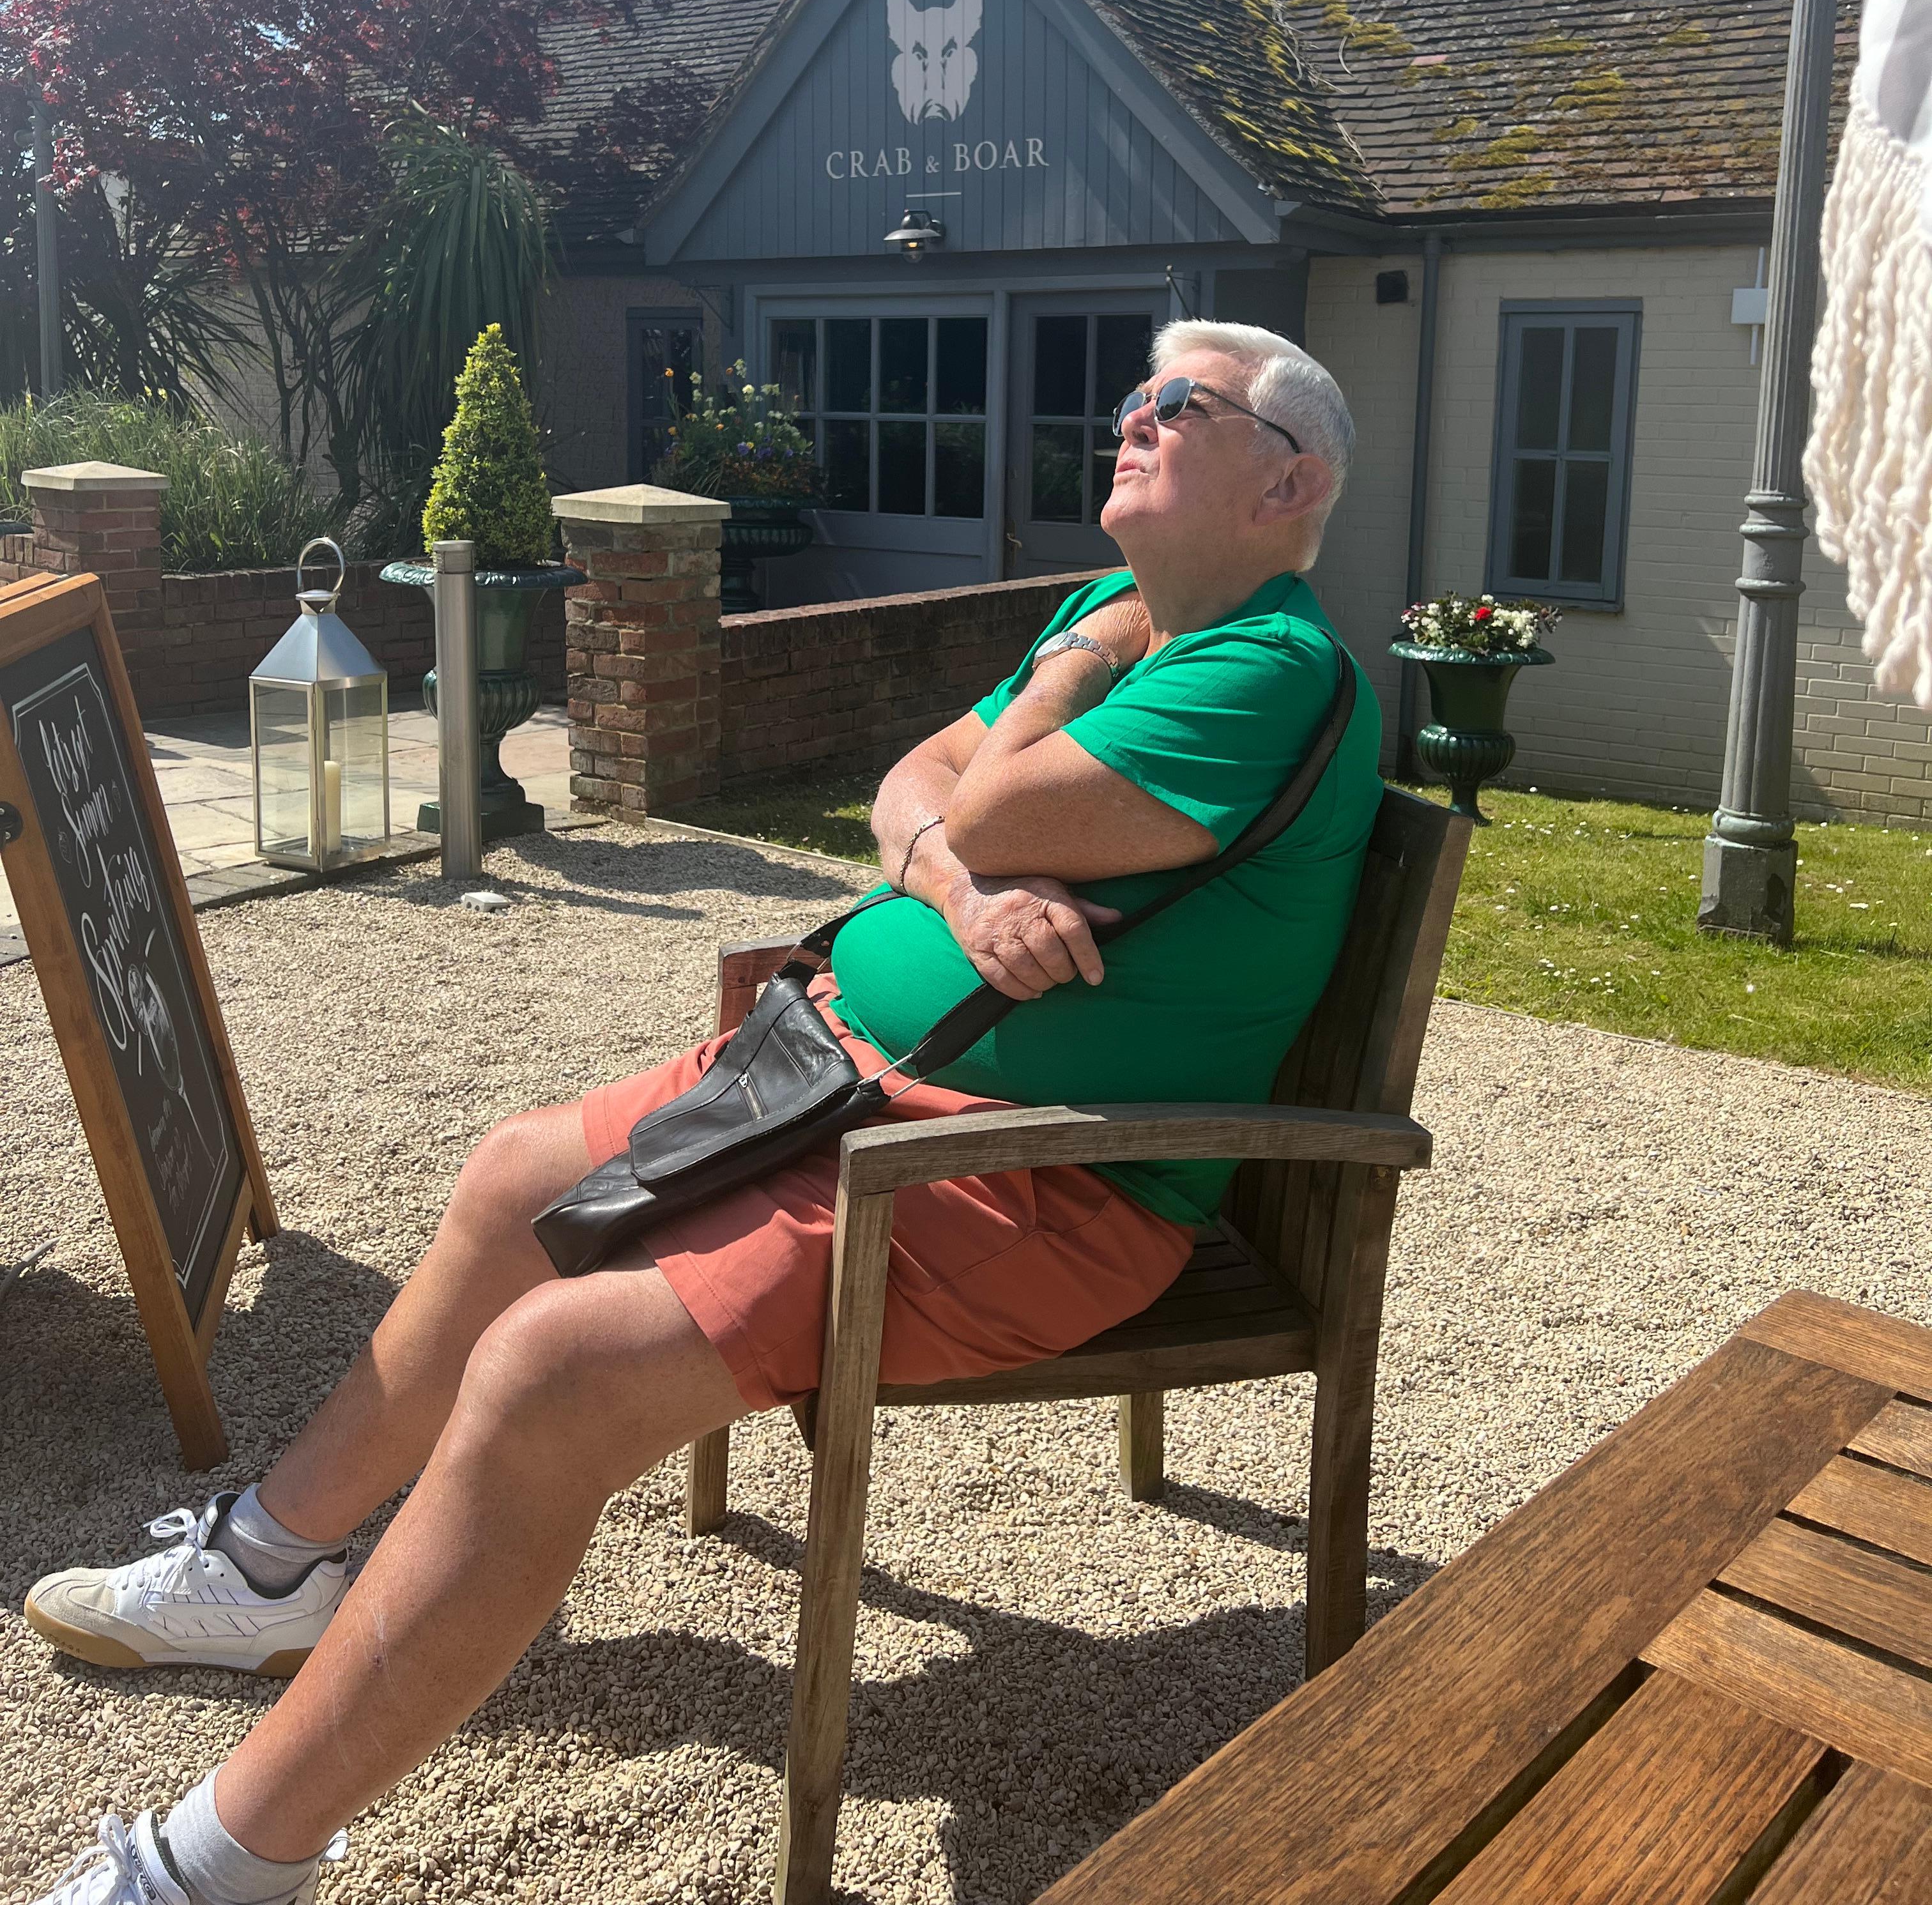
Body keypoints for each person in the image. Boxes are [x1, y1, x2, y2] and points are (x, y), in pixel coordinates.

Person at [24, 321, 1384, 1905]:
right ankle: (269, 1566)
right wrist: (954, 876)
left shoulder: (1258, 665)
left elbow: (992, 787)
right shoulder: (1125, 611)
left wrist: (1033, 728)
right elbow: (912, 784)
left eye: (1177, 404)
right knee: (514, 1177)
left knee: (548, 1371)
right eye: (1138, 394)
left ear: (1290, 481)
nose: (1129, 419)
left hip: (1029, 1180)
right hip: (839, 1079)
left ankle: (208, 1873)